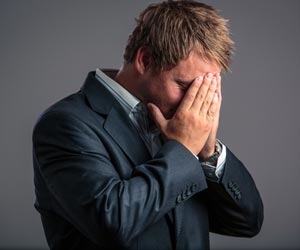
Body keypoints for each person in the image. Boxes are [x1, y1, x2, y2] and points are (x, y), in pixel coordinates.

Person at [32, 1, 263, 249]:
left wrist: (208, 155)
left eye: (206, 89)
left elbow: (247, 223)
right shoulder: (64, 125)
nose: (195, 103)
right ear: (145, 60)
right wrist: (183, 150)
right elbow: (114, 223)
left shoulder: (177, 125)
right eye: (186, 86)